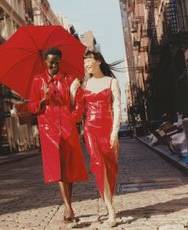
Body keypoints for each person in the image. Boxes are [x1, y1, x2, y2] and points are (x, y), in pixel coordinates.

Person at [28, 47, 88, 222]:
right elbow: (31, 107)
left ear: (60, 61)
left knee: (68, 169)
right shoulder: (38, 81)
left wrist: (73, 118)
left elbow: (80, 103)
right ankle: (68, 208)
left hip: (68, 128)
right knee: (59, 169)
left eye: (56, 62)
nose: (53, 65)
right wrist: (43, 100)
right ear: (44, 61)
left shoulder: (69, 79)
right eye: (50, 61)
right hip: (49, 130)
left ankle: (68, 206)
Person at [71, 50, 121, 227]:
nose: (86, 65)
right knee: (98, 166)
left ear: (98, 61)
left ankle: (110, 199)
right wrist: (72, 90)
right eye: (84, 63)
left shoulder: (112, 82)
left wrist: (115, 132)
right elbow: (77, 112)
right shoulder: (84, 85)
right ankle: (110, 209)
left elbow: (117, 107)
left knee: (111, 168)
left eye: (89, 61)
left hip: (108, 129)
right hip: (90, 129)